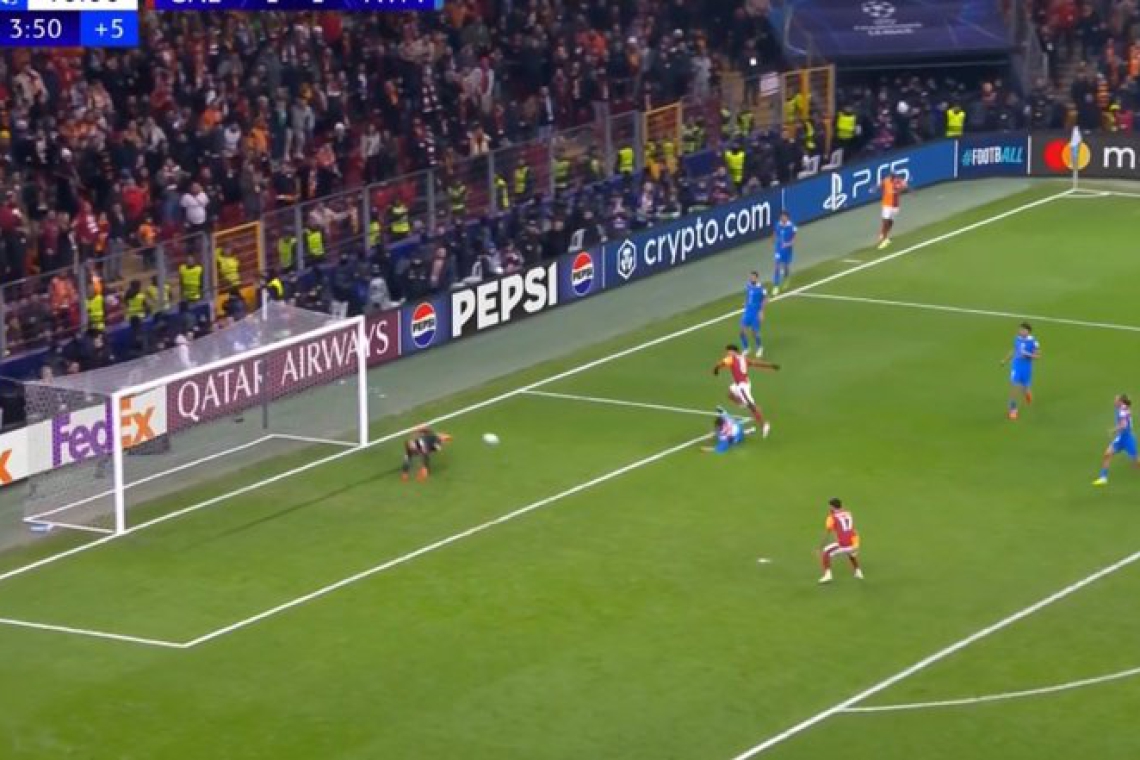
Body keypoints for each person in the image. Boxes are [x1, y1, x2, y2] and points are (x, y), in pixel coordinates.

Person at [712, 344, 780, 437]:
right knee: (730, 394)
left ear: (733, 351)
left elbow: (720, 364)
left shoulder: (731, 358)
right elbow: (756, 363)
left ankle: (764, 425)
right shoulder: (743, 358)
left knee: (752, 407)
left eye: (728, 351)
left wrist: (715, 369)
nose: (727, 353)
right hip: (742, 383)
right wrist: (771, 366)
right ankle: (742, 403)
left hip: (742, 387)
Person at [1094, 395, 1137, 486]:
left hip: (1128, 439)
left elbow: (1123, 426)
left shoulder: (1122, 411)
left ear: (1120, 402)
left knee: (1136, 463)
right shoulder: (1121, 408)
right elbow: (1128, 406)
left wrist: (1112, 430)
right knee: (1107, 454)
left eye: (1116, 400)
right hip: (1120, 438)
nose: (1114, 401)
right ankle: (1103, 478)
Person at [1000, 322, 1040, 420]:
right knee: (1014, 387)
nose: (1020, 331)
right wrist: (1005, 360)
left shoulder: (1034, 342)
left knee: (1025, 387)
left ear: (1028, 331)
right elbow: (1014, 350)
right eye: (1020, 329)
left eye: (1022, 330)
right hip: (1016, 366)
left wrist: (1027, 354)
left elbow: (1037, 356)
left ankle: (1027, 393)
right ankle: (1013, 410)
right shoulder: (1017, 339)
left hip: (1026, 368)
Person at [819, 497, 863, 584]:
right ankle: (858, 572)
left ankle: (828, 575)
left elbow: (828, 531)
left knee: (825, 552)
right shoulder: (848, 513)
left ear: (832, 506)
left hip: (844, 544)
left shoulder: (832, 517)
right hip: (855, 542)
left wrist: (821, 545)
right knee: (850, 553)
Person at [739, 271, 767, 357]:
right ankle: (746, 348)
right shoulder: (748, 285)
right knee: (742, 332)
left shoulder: (762, 288)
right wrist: (745, 302)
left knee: (754, 332)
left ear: (757, 278)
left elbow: (765, 300)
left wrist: (761, 312)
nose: (752, 278)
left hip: (756, 312)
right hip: (747, 311)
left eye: (753, 277)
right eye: (751, 277)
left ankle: (760, 347)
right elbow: (748, 295)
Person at [877, 172, 907, 249]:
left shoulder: (899, 182)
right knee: (885, 221)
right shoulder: (886, 180)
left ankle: (885, 235)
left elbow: (903, 188)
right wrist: (876, 188)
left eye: (894, 177)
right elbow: (880, 185)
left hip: (895, 206)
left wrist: (902, 186)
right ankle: (884, 239)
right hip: (886, 205)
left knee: (891, 221)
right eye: (892, 177)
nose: (893, 178)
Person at [773, 211, 797, 294]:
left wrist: (787, 244)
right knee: (777, 266)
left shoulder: (792, 227)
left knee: (785, 266)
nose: (782, 218)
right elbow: (775, 234)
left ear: (787, 218)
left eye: (784, 217)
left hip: (787, 249)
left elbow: (794, 240)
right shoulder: (777, 224)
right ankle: (776, 285)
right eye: (781, 217)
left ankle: (786, 279)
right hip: (778, 249)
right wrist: (776, 242)